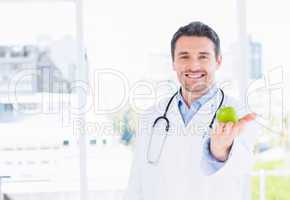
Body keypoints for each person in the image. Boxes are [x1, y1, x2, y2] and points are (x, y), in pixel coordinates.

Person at [124, 21, 260, 200]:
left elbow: (241, 170)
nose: (194, 66)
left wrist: (220, 152)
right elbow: (137, 183)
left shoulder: (240, 114)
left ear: (218, 61)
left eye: (203, 56)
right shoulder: (151, 116)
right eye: (184, 56)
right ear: (173, 62)